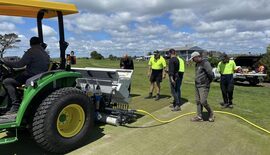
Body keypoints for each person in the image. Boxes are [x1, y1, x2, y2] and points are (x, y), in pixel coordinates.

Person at [2, 36, 50, 115]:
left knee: (7, 82)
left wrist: (6, 62)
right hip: (41, 76)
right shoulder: (45, 53)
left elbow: (19, 64)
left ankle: (15, 106)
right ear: (39, 43)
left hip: (31, 76)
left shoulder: (31, 51)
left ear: (30, 43)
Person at [190, 51, 215, 122]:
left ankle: (211, 113)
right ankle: (199, 116)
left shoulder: (205, 63)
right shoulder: (197, 64)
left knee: (203, 101)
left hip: (204, 85)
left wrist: (208, 82)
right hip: (197, 85)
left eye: (193, 58)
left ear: (197, 57)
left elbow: (210, 73)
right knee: (198, 101)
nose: (193, 60)